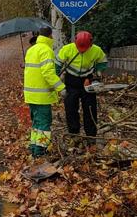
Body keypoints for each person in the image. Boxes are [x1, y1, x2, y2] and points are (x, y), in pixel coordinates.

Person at [55, 31, 108, 147]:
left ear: (91, 44)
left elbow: (103, 62)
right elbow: (57, 64)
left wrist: (95, 75)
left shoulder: (96, 50)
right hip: (71, 81)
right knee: (71, 109)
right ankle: (74, 135)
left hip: (87, 81)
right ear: (75, 42)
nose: (82, 50)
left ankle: (91, 136)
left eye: (85, 48)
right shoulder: (67, 49)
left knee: (90, 109)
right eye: (80, 48)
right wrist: (56, 80)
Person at [23, 27, 66, 157]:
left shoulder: (31, 50)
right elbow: (48, 73)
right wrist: (61, 88)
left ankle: (34, 147)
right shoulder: (46, 50)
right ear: (50, 36)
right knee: (44, 125)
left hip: (31, 95)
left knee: (36, 123)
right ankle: (40, 152)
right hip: (42, 96)